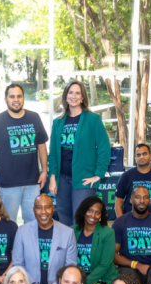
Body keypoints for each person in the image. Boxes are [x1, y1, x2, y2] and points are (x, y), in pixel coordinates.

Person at [47, 78, 110, 224]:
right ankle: (68, 247)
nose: (73, 96)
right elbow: (53, 154)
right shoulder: (58, 122)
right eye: (70, 93)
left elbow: (104, 147)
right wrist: (52, 178)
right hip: (62, 179)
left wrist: (98, 174)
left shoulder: (93, 119)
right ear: (65, 96)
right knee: (63, 216)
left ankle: (80, 247)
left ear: (82, 97)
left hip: (84, 179)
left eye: (77, 93)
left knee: (80, 219)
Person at [0, 83, 49, 224]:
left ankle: (30, 247)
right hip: (8, 184)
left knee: (33, 222)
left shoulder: (34, 118)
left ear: (23, 98)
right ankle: (12, 247)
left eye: (19, 96)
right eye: (12, 96)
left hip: (33, 182)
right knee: (8, 223)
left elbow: (42, 146)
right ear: (6, 99)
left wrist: (44, 171)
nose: (16, 100)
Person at [10, 194, 76, 284]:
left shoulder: (68, 233)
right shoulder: (22, 231)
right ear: (33, 210)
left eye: (47, 207)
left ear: (53, 209)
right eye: (39, 208)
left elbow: (71, 267)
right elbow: (18, 265)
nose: (43, 211)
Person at [113, 185, 151, 279]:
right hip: (127, 268)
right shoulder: (119, 222)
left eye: (146, 197)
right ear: (131, 200)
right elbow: (112, 255)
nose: (142, 200)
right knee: (128, 277)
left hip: (149, 269)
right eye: (137, 197)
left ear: (149, 201)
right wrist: (137, 265)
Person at [72, 196, 118, 284]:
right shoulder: (72, 230)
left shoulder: (108, 233)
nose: (93, 215)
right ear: (83, 211)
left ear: (101, 216)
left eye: (97, 213)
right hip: (76, 280)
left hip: (102, 280)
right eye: (90, 211)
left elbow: (104, 265)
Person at [113, 142, 151, 219]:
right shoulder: (126, 176)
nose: (141, 157)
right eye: (138, 155)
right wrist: (121, 222)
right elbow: (118, 202)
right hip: (130, 219)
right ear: (135, 158)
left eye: (144, 154)